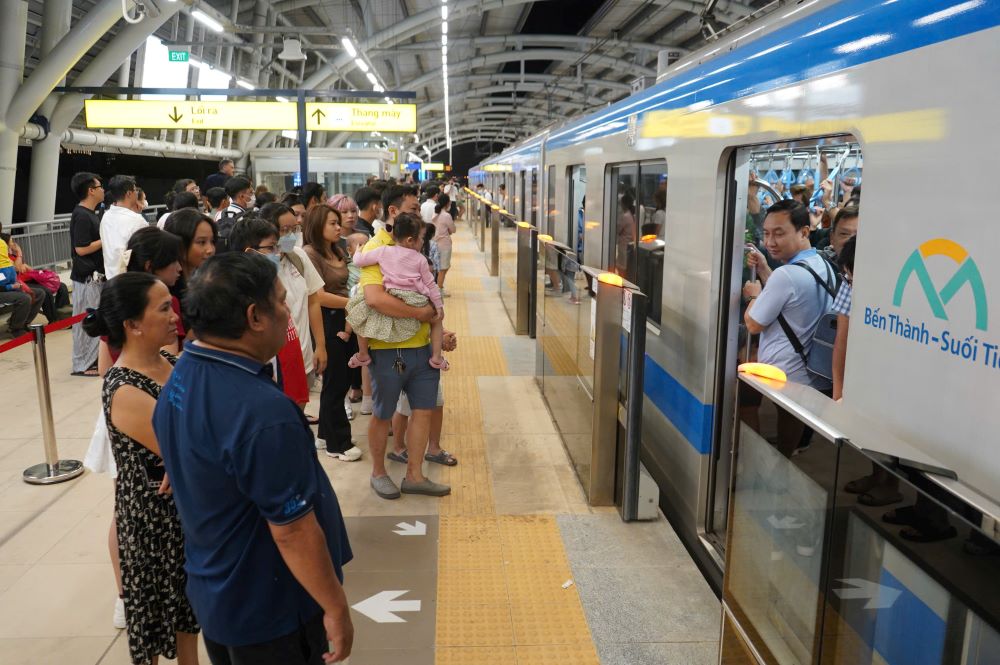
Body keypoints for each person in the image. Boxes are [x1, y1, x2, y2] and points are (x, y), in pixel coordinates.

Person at [153, 252, 354, 664]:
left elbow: (176, 441)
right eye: (281, 301)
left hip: (218, 592)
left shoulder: (183, 372)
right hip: (272, 607)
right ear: (254, 317)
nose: (287, 312)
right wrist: (334, 605)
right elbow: (292, 530)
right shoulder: (261, 412)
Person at [83, 272, 200, 665]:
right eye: (164, 308)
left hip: (181, 509)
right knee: (151, 625)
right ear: (132, 325)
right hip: (151, 521)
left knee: (188, 619)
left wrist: (179, 458)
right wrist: (179, 458)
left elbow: (189, 441)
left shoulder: (169, 360)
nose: (174, 315)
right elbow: (193, 446)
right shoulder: (124, 387)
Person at [355, 188, 450, 499]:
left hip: (422, 350)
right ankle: (378, 473)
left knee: (423, 410)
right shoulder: (376, 249)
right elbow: (374, 299)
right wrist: (423, 313)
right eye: (412, 208)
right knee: (383, 413)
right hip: (387, 350)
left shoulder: (413, 251)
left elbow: (430, 292)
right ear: (393, 213)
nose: (419, 215)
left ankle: (414, 474)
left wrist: (439, 328)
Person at [742, 199, 835, 391]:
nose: (769, 242)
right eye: (766, 234)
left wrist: (754, 296)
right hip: (816, 375)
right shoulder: (821, 263)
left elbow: (753, 324)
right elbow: (791, 299)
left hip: (785, 378)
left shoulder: (785, 275)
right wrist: (764, 269)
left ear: (804, 232)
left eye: (779, 234)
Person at [228, 215, 311, 415]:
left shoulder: (271, 283)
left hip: (292, 373)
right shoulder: (242, 297)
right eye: (271, 248)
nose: (278, 253)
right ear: (250, 252)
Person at [348, 213, 448, 370]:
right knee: (436, 320)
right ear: (410, 240)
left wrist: (358, 251)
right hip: (415, 298)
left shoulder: (382, 251)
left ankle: (363, 354)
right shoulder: (420, 259)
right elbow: (431, 285)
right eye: (421, 238)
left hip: (392, 295)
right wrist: (439, 306)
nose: (423, 242)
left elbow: (359, 262)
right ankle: (436, 357)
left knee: (361, 315)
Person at [302, 205, 362, 461]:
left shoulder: (336, 249)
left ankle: (326, 435)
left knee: (340, 380)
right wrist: (353, 302)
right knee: (336, 384)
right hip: (326, 322)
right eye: (332, 223)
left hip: (345, 320)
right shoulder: (309, 254)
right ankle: (340, 443)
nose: (339, 227)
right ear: (317, 226)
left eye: (338, 223)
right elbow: (318, 296)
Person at [262, 203, 328, 393]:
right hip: (276, 360)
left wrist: (320, 346)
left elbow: (313, 300)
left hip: (304, 355)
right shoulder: (262, 263)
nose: (291, 235)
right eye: (285, 230)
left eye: (295, 229)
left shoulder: (298, 256)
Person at [69, 172, 106, 374]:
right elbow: (81, 249)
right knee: (85, 321)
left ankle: (89, 361)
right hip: (86, 277)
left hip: (92, 277)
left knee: (92, 319)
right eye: (99, 186)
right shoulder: (82, 215)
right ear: (91, 190)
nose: (103, 190)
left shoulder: (90, 213)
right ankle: (81, 366)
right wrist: (106, 238)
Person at [100, 175, 148, 279]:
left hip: (111, 277)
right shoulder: (137, 220)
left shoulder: (106, 216)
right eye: (135, 190)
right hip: (132, 279)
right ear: (129, 193)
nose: (137, 193)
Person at [0, 233, 40, 338]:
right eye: (11, 241)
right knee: (25, 298)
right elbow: (16, 270)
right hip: (5, 289)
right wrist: (10, 286)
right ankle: (16, 329)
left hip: (11, 285)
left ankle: (22, 323)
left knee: (38, 293)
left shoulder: (5, 260)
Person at [432, 193, 456, 295]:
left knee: (439, 267)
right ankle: (439, 290)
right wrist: (448, 231)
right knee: (443, 268)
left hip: (434, 243)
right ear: (447, 203)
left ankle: (437, 287)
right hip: (444, 244)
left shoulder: (435, 213)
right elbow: (453, 229)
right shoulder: (446, 215)